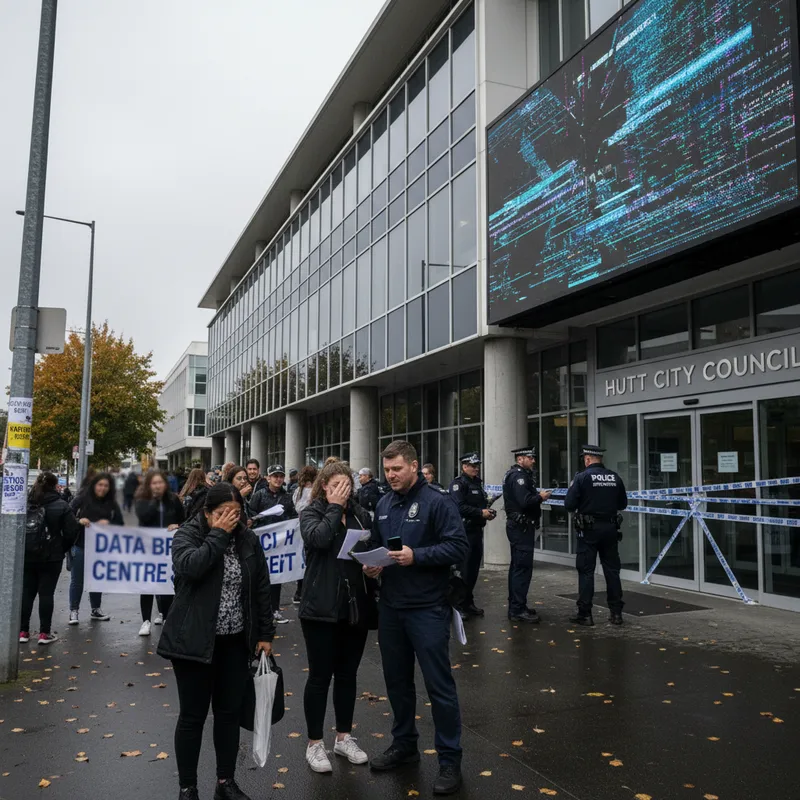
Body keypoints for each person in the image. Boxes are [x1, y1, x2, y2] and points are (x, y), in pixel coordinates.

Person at [157, 482, 275, 800]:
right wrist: (218, 535)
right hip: (194, 642)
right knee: (192, 716)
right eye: (223, 514)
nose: (230, 519)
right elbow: (190, 568)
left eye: (235, 514)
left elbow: (262, 588)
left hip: (234, 642)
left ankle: (225, 782)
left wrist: (265, 634)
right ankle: (187, 787)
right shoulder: (187, 535)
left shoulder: (248, 540)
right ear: (207, 512)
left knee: (229, 714)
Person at [366, 440, 468, 796]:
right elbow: (379, 544)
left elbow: (459, 547)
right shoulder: (382, 503)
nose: (390, 475)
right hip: (391, 608)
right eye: (387, 469)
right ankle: (405, 745)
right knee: (396, 683)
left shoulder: (438, 501)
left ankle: (449, 759)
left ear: (413, 466)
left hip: (427, 608)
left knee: (439, 687)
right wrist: (373, 565)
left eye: (396, 469)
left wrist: (417, 555)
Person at [298, 458, 376, 773]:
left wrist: (374, 565)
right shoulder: (312, 512)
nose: (344, 491)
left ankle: (343, 736)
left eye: (347, 486)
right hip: (320, 607)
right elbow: (317, 540)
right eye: (337, 487)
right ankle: (314, 743)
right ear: (325, 487)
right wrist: (333, 507)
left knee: (347, 675)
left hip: (353, 604)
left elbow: (372, 545)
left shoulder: (360, 514)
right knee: (320, 676)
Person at [564, 445, 628, 626]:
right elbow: (623, 504)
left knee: (586, 571)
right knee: (612, 571)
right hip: (610, 529)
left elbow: (569, 504)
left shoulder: (582, 477)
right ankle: (616, 613)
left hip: (589, 531)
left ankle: (585, 614)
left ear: (587, 459)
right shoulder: (614, 477)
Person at [20, 472, 82, 646]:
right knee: (46, 594)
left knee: (27, 592)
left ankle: (23, 631)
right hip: (51, 557)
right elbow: (72, 531)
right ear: (56, 486)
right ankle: (44, 633)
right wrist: (61, 548)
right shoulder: (61, 505)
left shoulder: (26, 503)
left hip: (28, 554)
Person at [502, 447, 551, 624]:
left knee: (518, 567)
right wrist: (540, 497)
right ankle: (517, 609)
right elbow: (524, 501)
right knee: (522, 569)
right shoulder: (519, 476)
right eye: (530, 458)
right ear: (520, 459)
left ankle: (517, 604)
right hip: (520, 528)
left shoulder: (518, 474)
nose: (533, 461)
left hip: (520, 527)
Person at [135, 470, 185, 636]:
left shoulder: (174, 500)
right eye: (154, 483)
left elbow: (183, 520)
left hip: (168, 550)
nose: (157, 486)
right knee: (147, 586)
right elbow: (143, 519)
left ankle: (166, 617)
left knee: (167, 585)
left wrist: (176, 525)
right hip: (149, 550)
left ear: (165, 483)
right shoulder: (143, 501)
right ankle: (146, 621)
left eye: (160, 483)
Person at [69, 471, 123, 625]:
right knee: (77, 580)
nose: (103, 488)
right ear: (94, 485)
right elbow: (67, 515)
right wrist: (79, 520)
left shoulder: (111, 503)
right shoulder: (81, 499)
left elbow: (120, 523)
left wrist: (109, 524)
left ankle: (96, 609)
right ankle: (74, 610)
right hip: (80, 545)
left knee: (96, 579)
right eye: (100, 485)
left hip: (100, 548)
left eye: (106, 485)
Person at [448, 453, 495, 618]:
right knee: (463, 570)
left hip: (476, 530)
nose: (476, 468)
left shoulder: (477, 483)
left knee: (473, 570)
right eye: (472, 465)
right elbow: (459, 507)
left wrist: (487, 511)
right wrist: (480, 512)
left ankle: (468, 602)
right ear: (464, 466)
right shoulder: (458, 484)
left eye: (477, 465)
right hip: (464, 532)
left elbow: (480, 505)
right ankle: (458, 605)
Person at [250, 465, 297, 624]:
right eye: (274, 476)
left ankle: (274, 609)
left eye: (280, 476)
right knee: (261, 576)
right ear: (268, 478)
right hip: (263, 542)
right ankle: (260, 610)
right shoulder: (259, 495)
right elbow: (251, 516)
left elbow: (293, 516)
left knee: (277, 577)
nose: (278, 479)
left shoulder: (288, 496)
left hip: (280, 543)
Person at [291, 465, 318, 604]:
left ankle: (300, 590)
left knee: (302, 559)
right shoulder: (314, 491)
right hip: (312, 525)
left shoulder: (298, 491)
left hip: (301, 526)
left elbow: (296, 507)